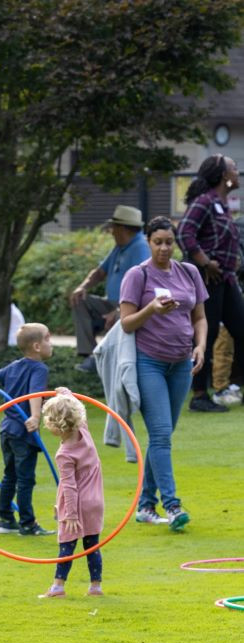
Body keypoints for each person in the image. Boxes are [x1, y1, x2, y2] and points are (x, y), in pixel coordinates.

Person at [119, 215, 208, 530]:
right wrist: (151, 310)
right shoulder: (137, 275)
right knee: (160, 434)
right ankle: (172, 505)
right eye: (158, 242)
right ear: (148, 241)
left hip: (181, 363)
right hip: (149, 363)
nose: (164, 248)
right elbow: (127, 322)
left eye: (169, 242)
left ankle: (145, 505)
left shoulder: (189, 272)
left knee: (163, 435)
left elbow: (199, 317)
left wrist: (200, 346)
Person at [0, 323, 55, 536]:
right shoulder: (39, 368)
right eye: (48, 339)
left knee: (10, 476)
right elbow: (34, 394)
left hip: (7, 430)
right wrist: (34, 416)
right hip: (23, 431)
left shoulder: (14, 366)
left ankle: (5, 519)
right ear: (36, 346)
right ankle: (27, 523)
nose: (51, 344)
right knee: (25, 479)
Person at [176, 154, 244, 412]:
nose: (237, 172)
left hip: (226, 279)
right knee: (207, 333)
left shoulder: (221, 204)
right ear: (224, 176)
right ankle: (200, 395)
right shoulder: (204, 202)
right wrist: (204, 262)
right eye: (234, 168)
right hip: (207, 280)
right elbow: (184, 232)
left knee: (241, 329)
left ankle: (234, 385)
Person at [39, 389, 105, 599]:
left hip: (76, 504)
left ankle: (58, 587)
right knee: (91, 545)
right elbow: (75, 408)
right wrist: (67, 394)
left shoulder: (64, 454)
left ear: (53, 425)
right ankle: (95, 587)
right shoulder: (83, 431)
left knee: (67, 544)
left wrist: (71, 515)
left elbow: (69, 486)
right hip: (95, 500)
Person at [70, 206, 149, 370]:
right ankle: (90, 355)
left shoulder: (141, 247)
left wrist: (119, 310)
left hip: (130, 307)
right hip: (111, 303)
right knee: (80, 300)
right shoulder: (120, 247)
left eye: (113, 227)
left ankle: (103, 359)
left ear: (123, 228)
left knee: (122, 315)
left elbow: (145, 286)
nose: (111, 232)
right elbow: (100, 272)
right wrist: (82, 287)